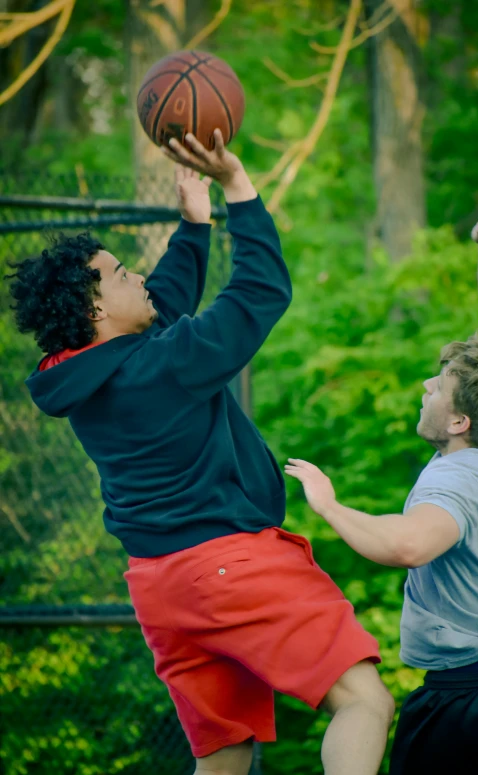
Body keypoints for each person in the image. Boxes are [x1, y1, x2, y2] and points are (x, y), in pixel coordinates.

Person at [8, 130, 394, 775]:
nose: (137, 274)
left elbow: (159, 305)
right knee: (364, 701)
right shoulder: (163, 364)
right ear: (94, 303)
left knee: (223, 756)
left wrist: (194, 225)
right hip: (230, 567)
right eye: (121, 273)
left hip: (160, 587)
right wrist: (239, 191)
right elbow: (259, 295)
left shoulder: (81, 372)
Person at [285, 177, 478, 775]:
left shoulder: (460, 480)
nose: (425, 388)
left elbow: (407, 543)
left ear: (459, 420)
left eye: (437, 389)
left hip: (471, 706)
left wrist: (329, 506)